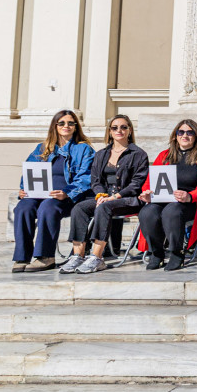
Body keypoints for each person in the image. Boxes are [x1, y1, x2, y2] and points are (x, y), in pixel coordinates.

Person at [62, 115, 149, 274]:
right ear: (109, 132)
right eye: (115, 127)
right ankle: (78, 255)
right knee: (79, 208)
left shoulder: (138, 154)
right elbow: (95, 180)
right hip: (105, 197)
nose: (119, 130)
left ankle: (96, 257)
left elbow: (136, 184)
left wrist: (115, 197)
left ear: (129, 130)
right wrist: (100, 195)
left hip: (128, 199)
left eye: (123, 127)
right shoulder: (101, 154)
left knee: (104, 207)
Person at [12, 110, 96, 273]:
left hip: (68, 198)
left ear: (76, 126)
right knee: (23, 207)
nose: (67, 126)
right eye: (62, 123)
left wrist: (67, 192)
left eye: (71, 123)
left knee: (48, 207)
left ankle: (46, 256)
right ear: (55, 126)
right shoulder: (42, 148)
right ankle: (22, 256)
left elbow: (86, 177)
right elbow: (29, 171)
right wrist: (24, 189)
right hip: (40, 194)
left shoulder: (83, 149)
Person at [136, 119, 197, 271]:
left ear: (196, 136)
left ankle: (176, 253)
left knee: (172, 211)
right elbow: (150, 181)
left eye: (190, 132)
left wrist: (190, 196)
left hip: (191, 202)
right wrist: (147, 193)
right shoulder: (164, 155)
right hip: (163, 199)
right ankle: (157, 253)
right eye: (181, 132)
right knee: (147, 212)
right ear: (175, 135)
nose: (185, 135)